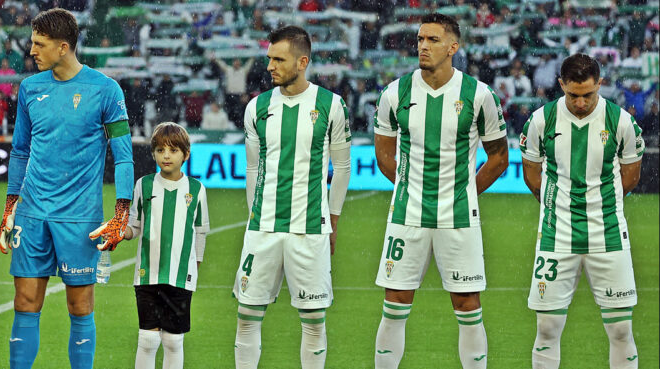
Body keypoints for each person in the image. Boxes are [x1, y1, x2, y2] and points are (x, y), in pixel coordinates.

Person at [0, 8, 134, 369]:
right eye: (31, 42)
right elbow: (20, 151)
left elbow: (123, 156)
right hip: (33, 213)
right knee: (25, 302)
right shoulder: (30, 88)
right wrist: (11, 205)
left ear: (63, 47)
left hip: (78, 218)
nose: (31, 51)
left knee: (80, 307)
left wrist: (121, 214)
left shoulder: (105, 90)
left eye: (39, 44)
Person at [372, 13, 508, 369]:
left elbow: (498, 157)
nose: (423, 46)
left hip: (458, 217)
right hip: (407, 215)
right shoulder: (395, 93)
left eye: (432, 40)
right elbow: (384, 153)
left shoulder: (479, 95)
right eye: (419, 39)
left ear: (453, 46)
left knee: (467, 304)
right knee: (395, 302)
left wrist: (465, 191)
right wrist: (408, 186)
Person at [232, 25, 351, 369]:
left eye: (278, 59)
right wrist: (255, 215)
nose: (270, 66)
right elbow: (252, 169)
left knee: (313, 321)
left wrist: (333, 219)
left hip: (310, 228)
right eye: (269, 58)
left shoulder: (331, 105)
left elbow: (341, 168)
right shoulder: (257, 107)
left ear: (302, 61)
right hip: (263, 228)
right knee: (247, 315)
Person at [520, 53, 644, 369]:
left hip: (609, 235)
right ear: (561, 85)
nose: (580, 102)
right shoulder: (540, 120)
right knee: (547, 328)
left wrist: (601, 207)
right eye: (572, 95)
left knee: (620, 329)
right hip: (555, 236)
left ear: (600, 84)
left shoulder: (621, 121)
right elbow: (533, 176)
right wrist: (557, 208)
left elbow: (630, 177)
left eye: (588, 94)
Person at [123, 122, 210, 369]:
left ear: (186, 154)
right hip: (147, 273)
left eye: (173, 150)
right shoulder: (144, 185)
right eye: (160, 150)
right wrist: (121, 232)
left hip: (181, 275)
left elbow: (200, 231)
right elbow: (134, 225)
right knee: (148, 339)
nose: (166, 156)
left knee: (173, 341)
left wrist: (195, 268)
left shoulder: (196, 189)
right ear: (153, 154)